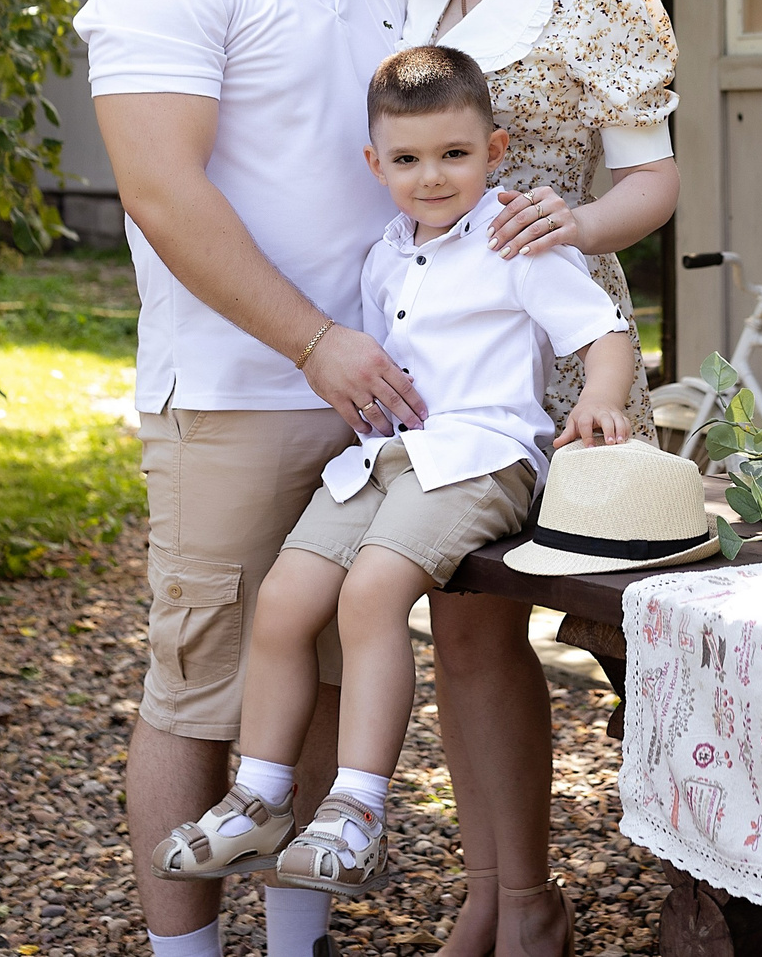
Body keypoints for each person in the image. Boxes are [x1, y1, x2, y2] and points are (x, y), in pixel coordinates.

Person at [76, 0, 424, 957]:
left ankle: (292, 949)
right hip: (233, 390)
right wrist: (313, 341)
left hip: (365, 405)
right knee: (196, 692)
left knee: (320, 691)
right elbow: (165, 193)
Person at [152, 44, 637, 899]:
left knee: (371, 593)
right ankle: (262, 797)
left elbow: (606, 333)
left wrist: (599, 400)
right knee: (285, 595)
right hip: (387, 458)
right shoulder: (384, 254)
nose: (432, 177)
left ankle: (356, 810)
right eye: (408, 160)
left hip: (481, 457)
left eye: (455, 154)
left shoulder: (512, 238)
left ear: (496, 149)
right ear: (376, 164)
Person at [397, 0, 681, 957]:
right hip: (449, 357)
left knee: (613, 626)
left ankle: (706, 893)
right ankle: (505, 898)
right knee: (462, 622)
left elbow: (654, 179)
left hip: (566, 354)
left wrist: (577, 219)